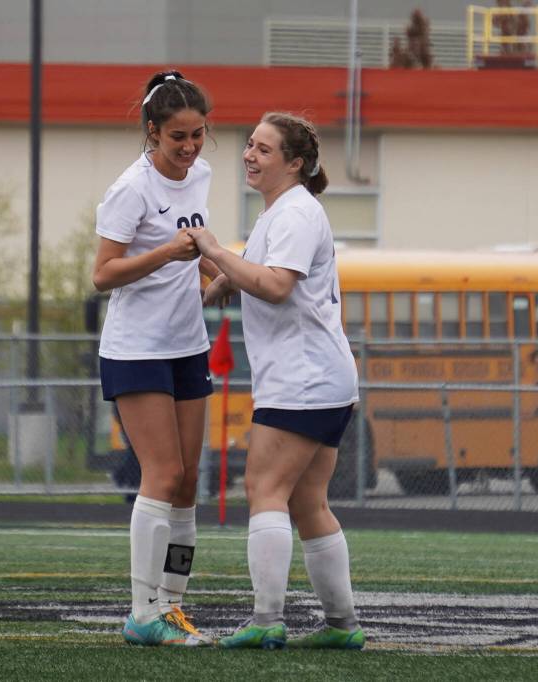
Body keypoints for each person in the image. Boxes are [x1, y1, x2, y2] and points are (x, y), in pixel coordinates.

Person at [187, 112, 365, 650]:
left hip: (302, 381)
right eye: (250, 146)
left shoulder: (294, 213)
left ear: (295, 164)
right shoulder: (282, 212)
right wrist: (222, 279)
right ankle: (342, 626)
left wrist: (216, 254)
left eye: (264, 149)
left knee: (265, 490)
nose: (250, 155)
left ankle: (267, 619)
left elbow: (277, 285)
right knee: (308, 502)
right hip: (324, 380)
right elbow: (259, 271)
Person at [92, 70, 219, 647]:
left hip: (187, 345)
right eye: (178, 138)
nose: (190, 148)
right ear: (152, 133)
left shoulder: (203, 175)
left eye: (198, 135)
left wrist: (224, 274)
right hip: (137, 349)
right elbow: (102, 274)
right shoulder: (131, 189)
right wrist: (168, 251)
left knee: (189, 481)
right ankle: (143, 613)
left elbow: (201, 251)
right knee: (162, 475)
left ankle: (172, 608)